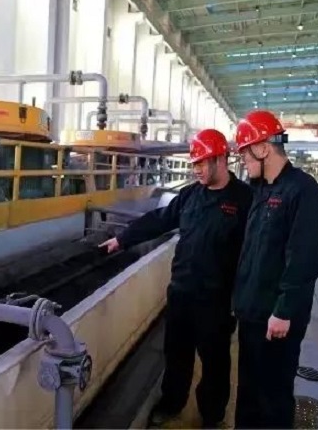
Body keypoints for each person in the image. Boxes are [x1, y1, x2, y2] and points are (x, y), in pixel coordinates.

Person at [100, 129, 252, 427]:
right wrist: (123, 239)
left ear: (221, 159)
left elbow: (253, 252)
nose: (196, 169)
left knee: (215, 361)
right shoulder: (190, 195)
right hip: (182, 292)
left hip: (217, 299)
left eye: (202, 162)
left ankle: (212, 415)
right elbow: (160, 220)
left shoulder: (244, 199)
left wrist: (244, 298)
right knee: (176, 354)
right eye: (194, 163)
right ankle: (171, 403)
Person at [232, 110, 318, 429]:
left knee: (272, 394)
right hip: (252, 311)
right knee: (248, 390)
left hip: (277, 317)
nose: (244, 161)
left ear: (263, 148)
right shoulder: (261, 189)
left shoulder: (302, 189)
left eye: (245, 153)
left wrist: (284, 311)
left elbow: (304, 257)